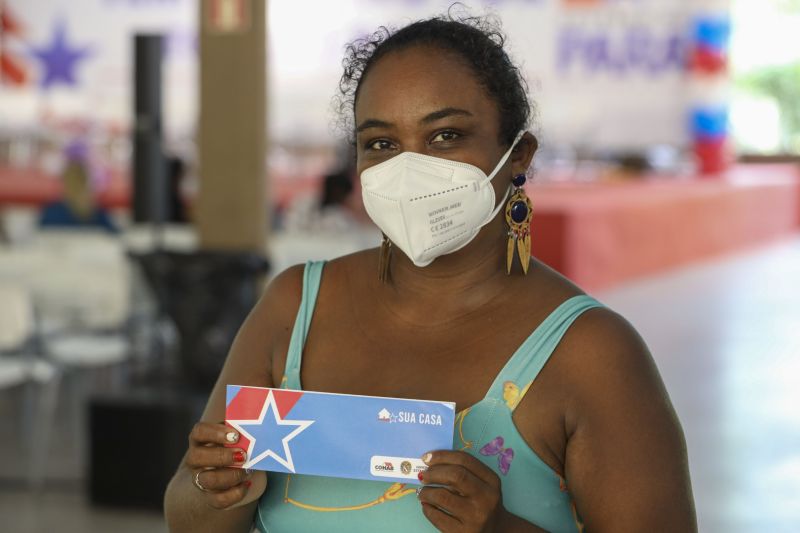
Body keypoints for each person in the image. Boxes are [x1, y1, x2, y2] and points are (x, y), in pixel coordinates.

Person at [164, 10, 696, 533]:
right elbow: (187, 517)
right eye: (382, 144)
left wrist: (501, 530)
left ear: (518, 155)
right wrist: (215, 489)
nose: (409, 169)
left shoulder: (591, 354)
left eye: (445, 135)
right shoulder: (294, 307)